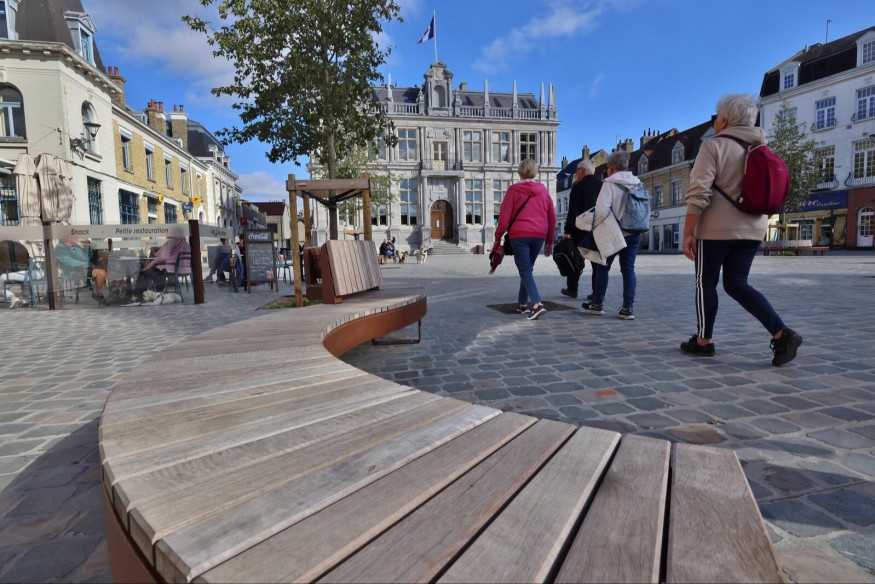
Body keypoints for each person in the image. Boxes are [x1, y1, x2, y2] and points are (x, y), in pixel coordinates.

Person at [681, 94, 802, 366]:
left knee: (705, 282)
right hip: (753, 228)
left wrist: (689, 232)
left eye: (717, 118)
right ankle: (782, 333)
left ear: (724, 119)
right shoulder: (762, 148)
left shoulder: (714, 146)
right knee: (737, 283)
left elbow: (698, 192)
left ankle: (703, 341)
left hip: (714, 231)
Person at [580, 151, 642, 320]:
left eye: (607, 167)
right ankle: (628, 308)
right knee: (628, 269)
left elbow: (601, 210)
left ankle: (597, 304)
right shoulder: (637, 182)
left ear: (612, 168)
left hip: (614, 232)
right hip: (634, 231)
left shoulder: (610, 183)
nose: (607, 171)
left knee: (603, 267)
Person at [494, 158, 556, 320]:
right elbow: (552, 218)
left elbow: (504, 218)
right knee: (527, 269)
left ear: (520, 172)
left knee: (525, 269)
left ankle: (536, 304)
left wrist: (497, 238)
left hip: (519, 235)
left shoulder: (513, 190)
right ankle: (523, 303)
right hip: (539, 236)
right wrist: (549, 241)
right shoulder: (543, 191)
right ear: (535, 172)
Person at [562, 159, 602, 300]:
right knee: (597, 263)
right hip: (598, 229)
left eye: (577, 169)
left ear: (582, 171)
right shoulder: (602, 185)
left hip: (579, 231)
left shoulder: (578, 186)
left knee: (575, 261)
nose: (575, 173)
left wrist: (567, 231)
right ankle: (596, 292)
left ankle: (572, 289)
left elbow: (573, 212)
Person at [125, 232, 191, 306]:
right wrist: (159, 252)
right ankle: (159, 292)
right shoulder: (186, 244)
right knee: (156, 271)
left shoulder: (170, 242)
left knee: (144, 272)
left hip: (169, 268)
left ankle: (136, 296)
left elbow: (163, 258)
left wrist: (150, 265)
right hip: (181, 269)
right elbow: (168, 255)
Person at [55, 235, 107, 303]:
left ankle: (101, 293)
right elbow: (71, 262)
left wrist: (87, 247)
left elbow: (87, 257)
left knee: (105, 271)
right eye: (75, 236)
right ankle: (99, 294)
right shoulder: (60, 248)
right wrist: (89, 265)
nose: (77, 238)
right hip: (73, 272)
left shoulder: (76, 247)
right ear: (68, 238)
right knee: (101, 273)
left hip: (84, 269)